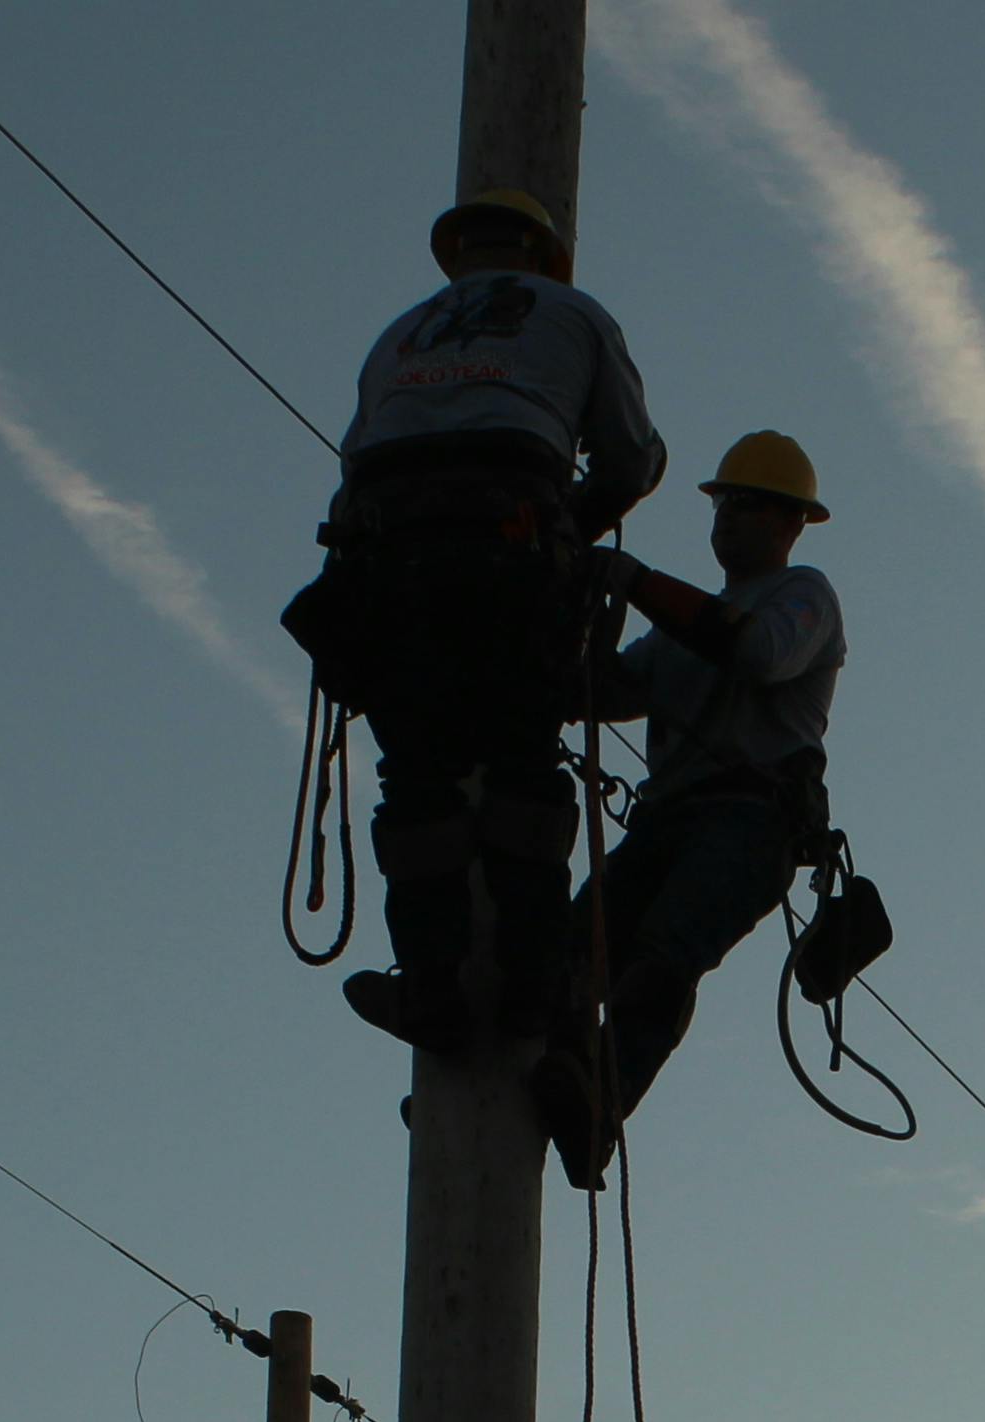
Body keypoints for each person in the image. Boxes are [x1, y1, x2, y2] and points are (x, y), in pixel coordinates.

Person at [297, 188, 664, 1063]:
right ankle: (532, 992)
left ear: (456, 255)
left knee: (418, 782)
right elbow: (631, 459)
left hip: (387, 562)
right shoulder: (573, 313)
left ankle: (434, 991)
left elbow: (355, 471)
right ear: (541, 253)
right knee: (521, 772)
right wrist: (571, 521)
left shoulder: (397, 334)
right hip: (511, 548)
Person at [539, 427, 850, 1186]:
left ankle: (599, 1109)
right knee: (569, 957)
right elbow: (602, 691)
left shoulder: (802, 594)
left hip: (750, 819)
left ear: (789, 523)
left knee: (665, 955)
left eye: (745, 506)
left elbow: (759, 652)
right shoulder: (680, 626)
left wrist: (635, 580)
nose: (726, 517)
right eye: (722, 503)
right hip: (666, 821)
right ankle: (522, 1094)